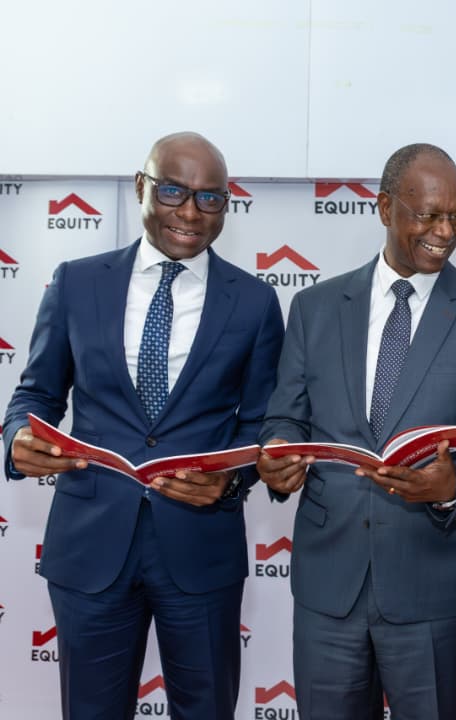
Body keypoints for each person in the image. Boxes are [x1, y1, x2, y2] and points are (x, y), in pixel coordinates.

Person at [3, 131, 285, 719]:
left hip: (200, 549)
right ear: (141, 187)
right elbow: (35, 392)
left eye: (210, 198)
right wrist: (18, 438)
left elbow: (262, 423)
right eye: (174, 191)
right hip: (90, 545)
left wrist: (229, 482)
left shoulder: (256, 302)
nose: (190, 212)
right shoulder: (77, 281)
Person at [256, 143, 456, 719]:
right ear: (383, 208)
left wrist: (452, 485)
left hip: (432, 581)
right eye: (428, 214)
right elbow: (285, 417)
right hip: (329, 583)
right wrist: (276, 456)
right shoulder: (314, 307)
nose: (444, 231)